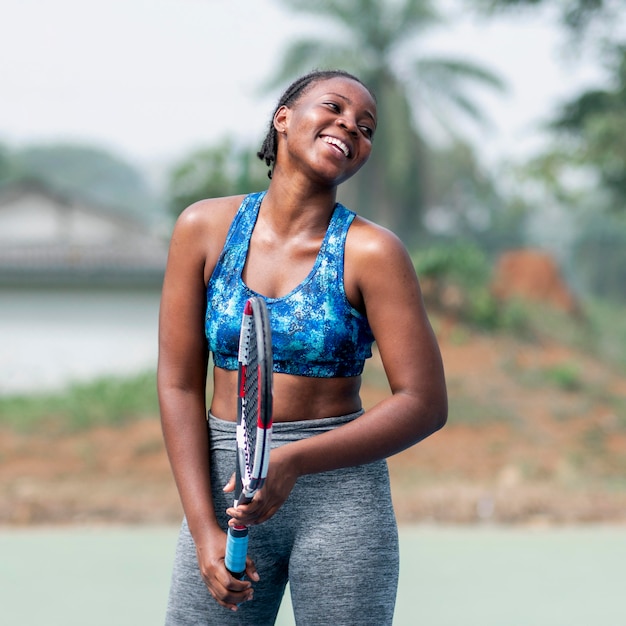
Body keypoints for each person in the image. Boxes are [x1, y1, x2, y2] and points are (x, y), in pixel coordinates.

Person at [158, 68, 447, 625]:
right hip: (225, 490)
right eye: (334, 108)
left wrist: (291, 462)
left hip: (340, 499)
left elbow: (425, 402)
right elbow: (176, 383)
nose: (350, 128)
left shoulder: (373, 252)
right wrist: (203, 529)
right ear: (283, 117)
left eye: (366, 128)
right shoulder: (203, 228)